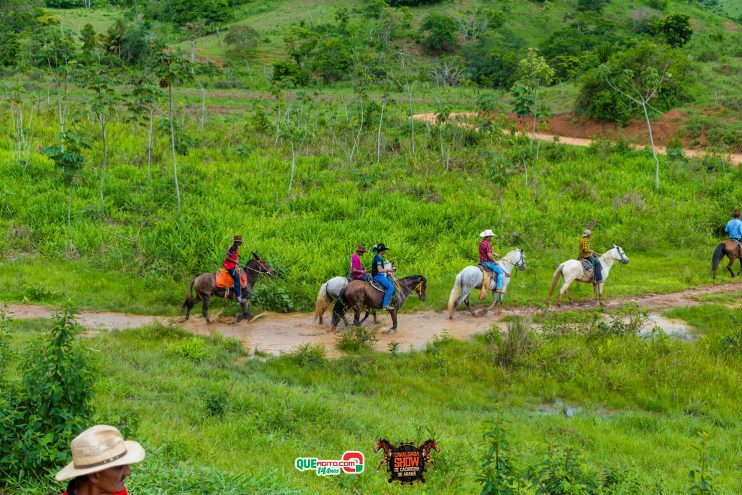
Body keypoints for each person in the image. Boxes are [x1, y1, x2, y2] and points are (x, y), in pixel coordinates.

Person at [56, 425, 145, 495]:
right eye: (119, 467)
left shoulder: (117, 491)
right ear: (94, 475)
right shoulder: (114, 489)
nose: (128, 472)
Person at [371, 243, 396, 311]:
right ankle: (385, 305)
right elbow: (379, 270)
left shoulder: (375, 257)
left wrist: (387, 271)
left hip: (376, 275)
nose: (384, 252)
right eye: (384, 250)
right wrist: (389, 270)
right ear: (382, 251)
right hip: (378, 276)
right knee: (391, 287)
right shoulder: (379, 259)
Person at [224, 235, 246, 303]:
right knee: (237, 278)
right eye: (240, 242)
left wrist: (236, 261)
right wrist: (235, 261)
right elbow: (227, 257)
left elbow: (234, 256)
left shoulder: (236, 247)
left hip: (233, 265)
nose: (241, 243)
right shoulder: (233, 248)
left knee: (242, 272)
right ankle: (238, 297)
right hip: (229, 266)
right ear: (236, 242)